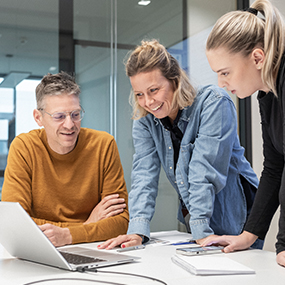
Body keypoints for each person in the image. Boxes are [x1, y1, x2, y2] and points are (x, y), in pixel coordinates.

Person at [98, 39, 260, 250]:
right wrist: (137, 231)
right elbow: (144, 176)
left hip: (237, 214)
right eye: (139, 94)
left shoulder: (213, 103)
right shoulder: (145, 121)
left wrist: (200, 228)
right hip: (197, 219)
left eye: (154, 90)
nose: (147, 102)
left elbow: (204, 171)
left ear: (175, 81)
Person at [201, 0, 285, 267]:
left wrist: (283, 243)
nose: (221, 84)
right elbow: (274, 167)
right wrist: (249, 235)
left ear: (257, 58)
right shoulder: (268, 95)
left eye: (225, 72)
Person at [2, 71, 129, 247]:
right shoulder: (24, 147)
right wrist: (87, 225)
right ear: (38, 118)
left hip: (94, 248)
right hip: (40, 249)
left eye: (75, 114)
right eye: (59, 116)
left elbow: (120, 223)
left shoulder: (103, 145)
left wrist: (68, 235)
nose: (70, 125)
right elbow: (15, 224)